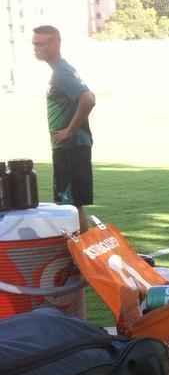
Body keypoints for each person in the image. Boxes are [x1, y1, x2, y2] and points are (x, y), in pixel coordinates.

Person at [32, 25, 95, 233]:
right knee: (73, 206)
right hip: (70, 147)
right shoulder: (61, 70)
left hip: (71, 146)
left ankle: (83, 258)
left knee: (69, 206)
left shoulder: (61, 72)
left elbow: (88, 98)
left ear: (56, 43)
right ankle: (85, 257)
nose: (36, 48)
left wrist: (69, 130)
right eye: (35, 43)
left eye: (41, 43)